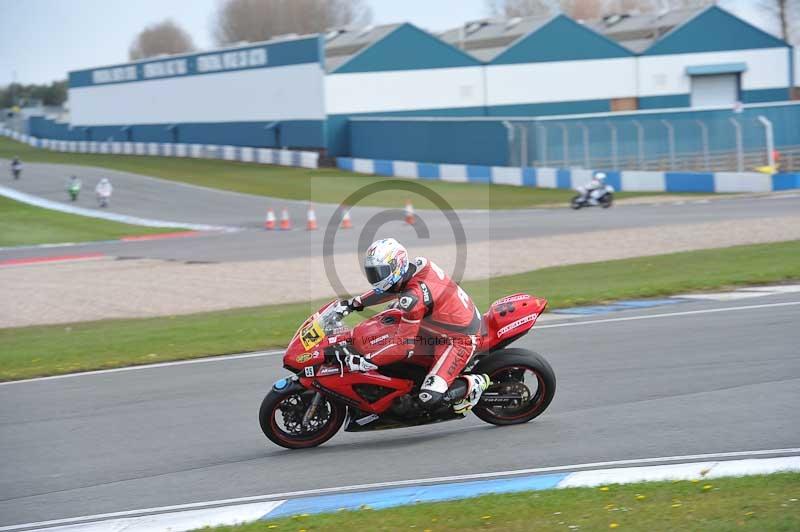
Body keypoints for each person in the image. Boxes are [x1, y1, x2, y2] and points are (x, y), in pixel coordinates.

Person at [338, 238, 490, 415]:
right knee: (385, 323)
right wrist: (355, 303)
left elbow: (403, 346)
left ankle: (477, 382)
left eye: (380, 272)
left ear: (397, 265)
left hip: (459, 339)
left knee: (429, 397)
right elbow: (392, 289)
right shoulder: (418, 265)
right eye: (373, 273)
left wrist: (367, 361)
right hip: (443, 323)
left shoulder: (413, 298)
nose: (376, 278)